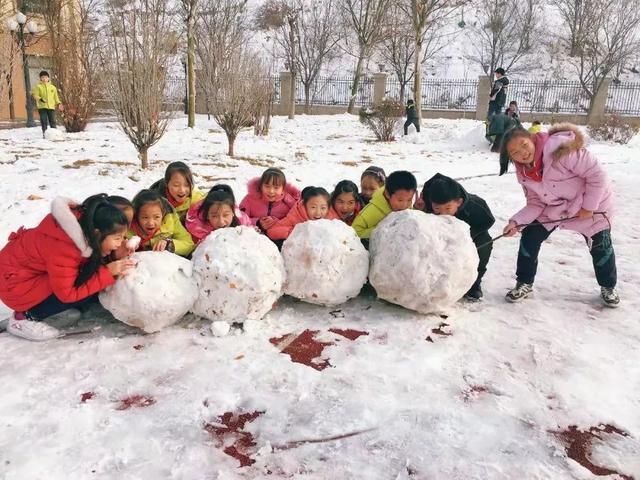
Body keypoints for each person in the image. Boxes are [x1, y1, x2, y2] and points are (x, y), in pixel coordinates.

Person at [500, 124, 619, 307]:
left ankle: (608, 286)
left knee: (601, 245)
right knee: (530, 237)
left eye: (524, 145)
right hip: (556, 208)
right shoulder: (524, 173)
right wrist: (516, 222)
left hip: (592, 205)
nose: (522, 153)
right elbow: (536, 202)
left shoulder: (560, 149)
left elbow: (597, 176)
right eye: (515, 152)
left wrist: (589, 206)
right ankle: (524, 282)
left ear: (531, 139)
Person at [0, 195, 135, 341]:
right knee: (81, 285)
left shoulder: (83, 229)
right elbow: (68, 294)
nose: (120, 243)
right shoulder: (64, 247)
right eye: (117, 238)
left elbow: (87, 261)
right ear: (97, 233)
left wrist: (114, 257)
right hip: (13, 285)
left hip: (26, 275)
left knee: (90, 280)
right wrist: (107, 272)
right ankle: (23, 318)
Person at [420, 173, 495, 301]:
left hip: (468, 235)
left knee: (485, 242)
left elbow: (488, 221)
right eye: (437, 209)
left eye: (448, 208)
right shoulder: (426, 201)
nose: (443, 213)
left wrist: (465, 238)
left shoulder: (475, 205)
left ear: (458, 202)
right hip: (436, 234)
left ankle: (474, 284)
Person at [352, 170, 417, 240]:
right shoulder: (371, 211)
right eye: (400, 200)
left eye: (409, 200)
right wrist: (380, 230)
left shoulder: (404, 204)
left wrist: (416, 208)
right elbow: (354, 232)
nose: (404, 205)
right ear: (387, 194)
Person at [129, 189, 195, 257]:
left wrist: (169, 244)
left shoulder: (170, 221)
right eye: (145, 217)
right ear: (136, 216)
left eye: (156, 217)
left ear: (163, 214)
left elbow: (189, 244)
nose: (151, 223)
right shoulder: (126, 227)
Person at [239, 167, 301, 233]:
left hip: (280, 238)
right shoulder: (250, 199)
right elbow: (239, 218)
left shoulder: (290, 202)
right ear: (261, 186)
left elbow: (296, 221)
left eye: (276, 188)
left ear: (283, 189)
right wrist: (258, 223)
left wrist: (277, 222)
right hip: (254, 238)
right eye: (267, 186)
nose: (271, 191)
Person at [267, 186, 339, 241]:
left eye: (323, 208)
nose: (318, 212)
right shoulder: (296, 215)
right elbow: (272, 231)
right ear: (304, 206)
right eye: (313, 207)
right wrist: (296, 232)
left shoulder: (332, 218)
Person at [185, 185, 251, 244]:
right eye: (214, 216)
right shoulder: (197, 231)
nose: (221, 222)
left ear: (233, 212)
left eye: (225, 215)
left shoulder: (243, 225)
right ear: (207, 215)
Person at [32, 70, 63, 138]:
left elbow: (56, 97)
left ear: (48, 78)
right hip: (42, 107)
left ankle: (55, 134)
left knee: (52, 121)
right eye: (42, 77)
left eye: (46, 77)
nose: (44, 79)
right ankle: (45, 134)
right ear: (40, 78)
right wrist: (40, 99)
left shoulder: (53, 87)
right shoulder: (38, 86)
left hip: (51, 107)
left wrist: (59, 103)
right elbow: (35, 95)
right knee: (44, 121)